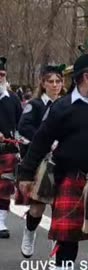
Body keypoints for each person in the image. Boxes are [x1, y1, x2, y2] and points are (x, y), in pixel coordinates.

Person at [16, 53, 88, 269]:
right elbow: (41, 141)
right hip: (71, 178)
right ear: (87, 78)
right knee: (68, 240)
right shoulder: (63, 107)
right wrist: (26, 173)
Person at [16, 65, 65, 258]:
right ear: (43, 84)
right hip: (39, 163)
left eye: (58, 81)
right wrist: (47, 141)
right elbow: (24, 126)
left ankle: (57, 251)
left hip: (63, 162)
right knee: (37, 208)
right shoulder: (35, 105)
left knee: (61, 209)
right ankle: (29, 232)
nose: (55, 85)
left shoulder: (67, 104)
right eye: (50, 81)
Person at [0, 56, 23, 239]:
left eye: (2, 74)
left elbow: (21, 124)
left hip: (7, 150)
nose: (0, 76)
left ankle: (1, 222)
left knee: (5, 188)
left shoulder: (13, 99)